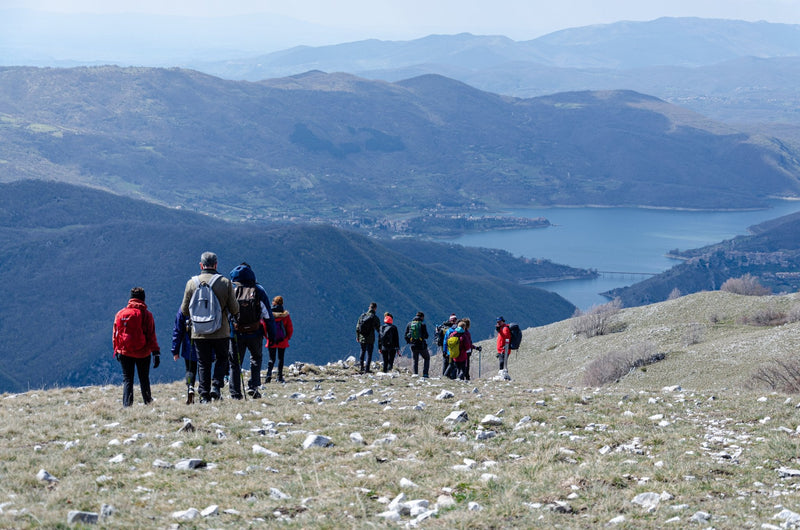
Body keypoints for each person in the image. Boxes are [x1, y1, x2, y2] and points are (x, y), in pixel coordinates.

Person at [181, 251, 239, 403]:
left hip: (199, 332)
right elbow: (235, 309)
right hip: (221, 330)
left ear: (201, 265)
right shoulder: (225, 282)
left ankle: (204, 395)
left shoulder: (191, 283)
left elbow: (185, 310)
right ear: (216, 265)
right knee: (222, 358)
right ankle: (216, 385)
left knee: (203, 363)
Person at [229, 263, 275, 399]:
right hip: (255, 332)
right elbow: (268, 315)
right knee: (256, 358)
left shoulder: (232, 291)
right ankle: (253, 386)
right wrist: (272, 335)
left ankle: (235, 393)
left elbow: (226, 313)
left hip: (236, 333)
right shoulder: (258, 290)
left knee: (235, 363)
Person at [113, 287, 160, 407]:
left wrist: (117, 349)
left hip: (124, 351)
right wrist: (155, 352)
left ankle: (127, 405)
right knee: (144, 378)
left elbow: (115, 334)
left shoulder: (120, 314)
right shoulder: (147, 315)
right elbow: (151, 335)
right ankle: (148, 403)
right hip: (143, 352)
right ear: (143, 298)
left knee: (128, 379)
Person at [171, 308, 199, 404]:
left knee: (190, 369)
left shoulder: (184, 308)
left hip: (189, 344)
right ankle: (204, 394)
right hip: (206, 342)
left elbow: (178, 330)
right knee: (204, 368)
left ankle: (190, 386)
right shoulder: (207, 302)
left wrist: (175, 350)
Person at [266, 295, 293, 383]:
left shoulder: (269, 314)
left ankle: (268, 376)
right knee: (281, 359)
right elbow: (290, 328)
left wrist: (267, 337)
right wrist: (287, 338)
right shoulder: (285, 315)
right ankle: (279, 376)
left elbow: (264, 326)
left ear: (274, 303)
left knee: (271, 359)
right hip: (282, 340)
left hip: (271, 340)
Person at [355, 302, 381, 373]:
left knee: (362, 351)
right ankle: (367, 369)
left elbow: (357, 327)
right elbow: (379, 329)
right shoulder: (375, 318)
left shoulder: (362, 316)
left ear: (369, 308)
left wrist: (358, 337)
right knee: (369, 353)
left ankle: (361, 368)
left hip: (362, 338)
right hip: (370, 339)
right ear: (375, 309)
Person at [405, 311, 430, 378]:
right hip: (421, 345)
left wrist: (409, 342)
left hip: (413, 345)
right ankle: (425, 374)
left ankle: (415, 374)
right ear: (422, 317)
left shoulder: (409, 324)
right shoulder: (422, 325)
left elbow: (405, 335)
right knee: (427, 358)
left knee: (415, 359)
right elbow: (426, 336)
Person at [496, 316, 512, 380]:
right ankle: (503, 376)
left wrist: (499, 331)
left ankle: (503, 376)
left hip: (504, 350)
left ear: (503, 321)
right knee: (502, 362)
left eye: (500, 322)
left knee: (502, 363)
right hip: (501, 350)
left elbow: (506, 338)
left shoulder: (505, 328)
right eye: (498, 322)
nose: (498, 323)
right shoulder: (502, 328)